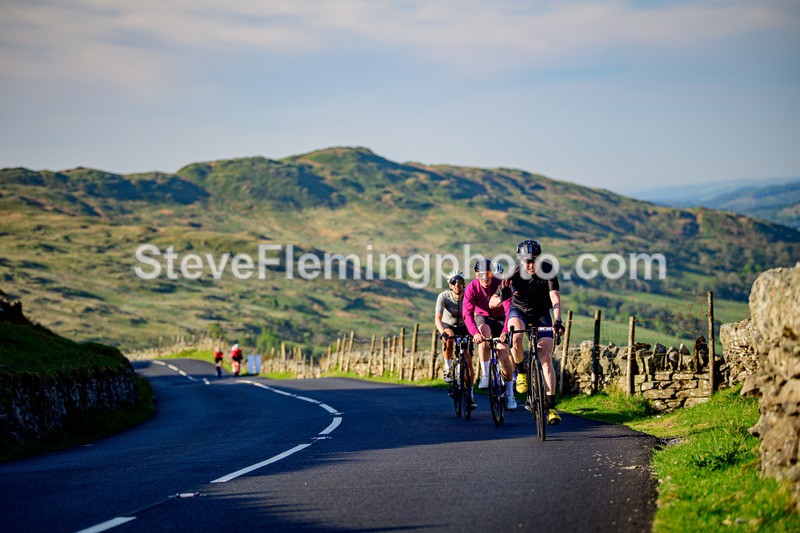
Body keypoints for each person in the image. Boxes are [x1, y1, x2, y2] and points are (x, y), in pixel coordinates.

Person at [492, 240, 565, 425]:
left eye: (534, 260)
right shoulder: (514, 273)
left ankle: (551, 408)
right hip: (519, 311)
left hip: (541, 314)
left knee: (546, 357)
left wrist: (557, 320)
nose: (531, 264)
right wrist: (502, 294)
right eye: (527, 261)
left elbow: (555, 297)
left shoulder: (548, 270)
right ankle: (521, 371)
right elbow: (492, 303)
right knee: (516, 336)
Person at [463, 259, 517, 410]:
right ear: (476, 275)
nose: (485, 279)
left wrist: (505, 331)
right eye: (481, 275)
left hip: (502, 318)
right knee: (484, 335)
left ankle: (510, 394)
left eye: (487, 275)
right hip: (484, 316)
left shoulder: (500, 284)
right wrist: (475, 333)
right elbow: (467, 314)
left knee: (503, 353)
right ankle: (486, 376)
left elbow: (509, 310)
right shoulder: (472, 288)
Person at [434, 270, 468, 383]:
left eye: (460, 282)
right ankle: (448, 367)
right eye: (453, 282)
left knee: (467, 356)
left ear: (464, 284)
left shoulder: (468, 295)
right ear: (450, 285)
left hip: (464, 325)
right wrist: (442, 332)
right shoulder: (443, 296)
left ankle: (469, 387)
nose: (457, 285)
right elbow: (437, 318)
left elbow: (475, 313)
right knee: (449, 338)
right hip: (448, 324)